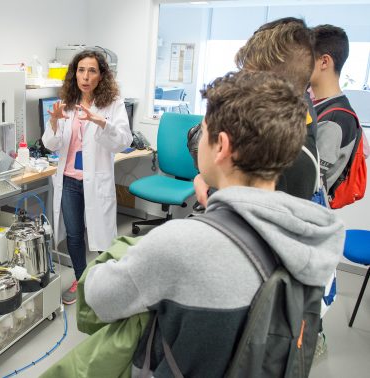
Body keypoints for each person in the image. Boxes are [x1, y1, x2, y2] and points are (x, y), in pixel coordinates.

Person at [84, 70, 343, 377]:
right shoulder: (314, 238)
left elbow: (100, 298)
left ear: (221, 145)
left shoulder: (180, 244)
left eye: (203, 131)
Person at [192, 17, 318, 207]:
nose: (241, 84)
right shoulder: (291, 123)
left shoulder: (292, 158)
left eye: (249, 78)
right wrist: (206, 176)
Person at [42, 49, 132, 305]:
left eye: (92, 70)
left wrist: (101, 122)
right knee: (74, 234)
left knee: (102, 236)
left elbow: (124, 140)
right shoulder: (67, 104)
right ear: (75, 74)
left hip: (96, 179)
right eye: (81, 70)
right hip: (70, 180)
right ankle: (81, 281)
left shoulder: (112, 104)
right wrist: (55, 123)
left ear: (101, 75)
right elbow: (51, 144)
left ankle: (105, 286)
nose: (85, 75)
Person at [310, 24, 358, 194]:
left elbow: (310, 180)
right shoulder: (317, 105)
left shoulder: (336, 118)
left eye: (305, 58)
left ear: (324, 61)